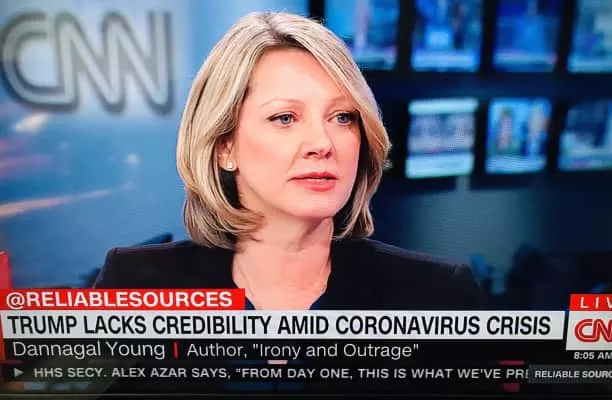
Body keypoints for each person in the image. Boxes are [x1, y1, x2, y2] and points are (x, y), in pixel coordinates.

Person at [94, 11, 482, 312]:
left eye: (342, 117)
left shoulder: (438, 295)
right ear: (224, 146)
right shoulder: (135, 287)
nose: (322, 144)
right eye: (285, 118)